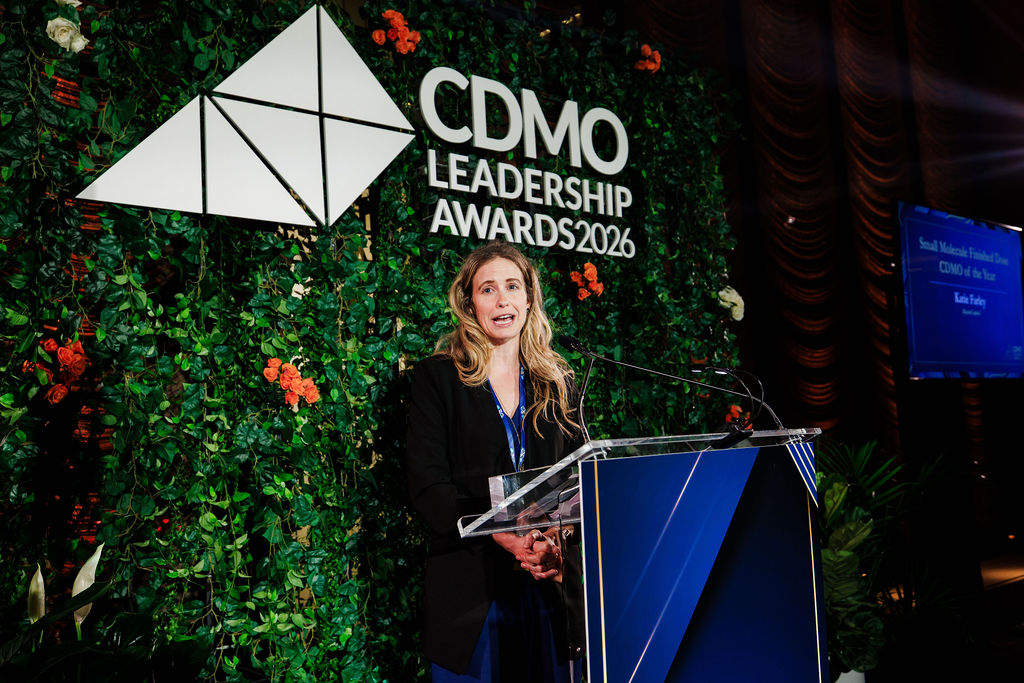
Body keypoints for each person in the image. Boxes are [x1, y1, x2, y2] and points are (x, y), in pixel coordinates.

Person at [406, 242, 584, 682]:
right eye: (488, 289)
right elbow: (428, 487)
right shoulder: (437, 378)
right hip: (471, 596)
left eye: (512, 286)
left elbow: (579, 478)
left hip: (548, 587)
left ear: (529, 298)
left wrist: (555, 541)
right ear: (470, 304)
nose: (503, 300)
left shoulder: (558, 383)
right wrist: (501, 534)